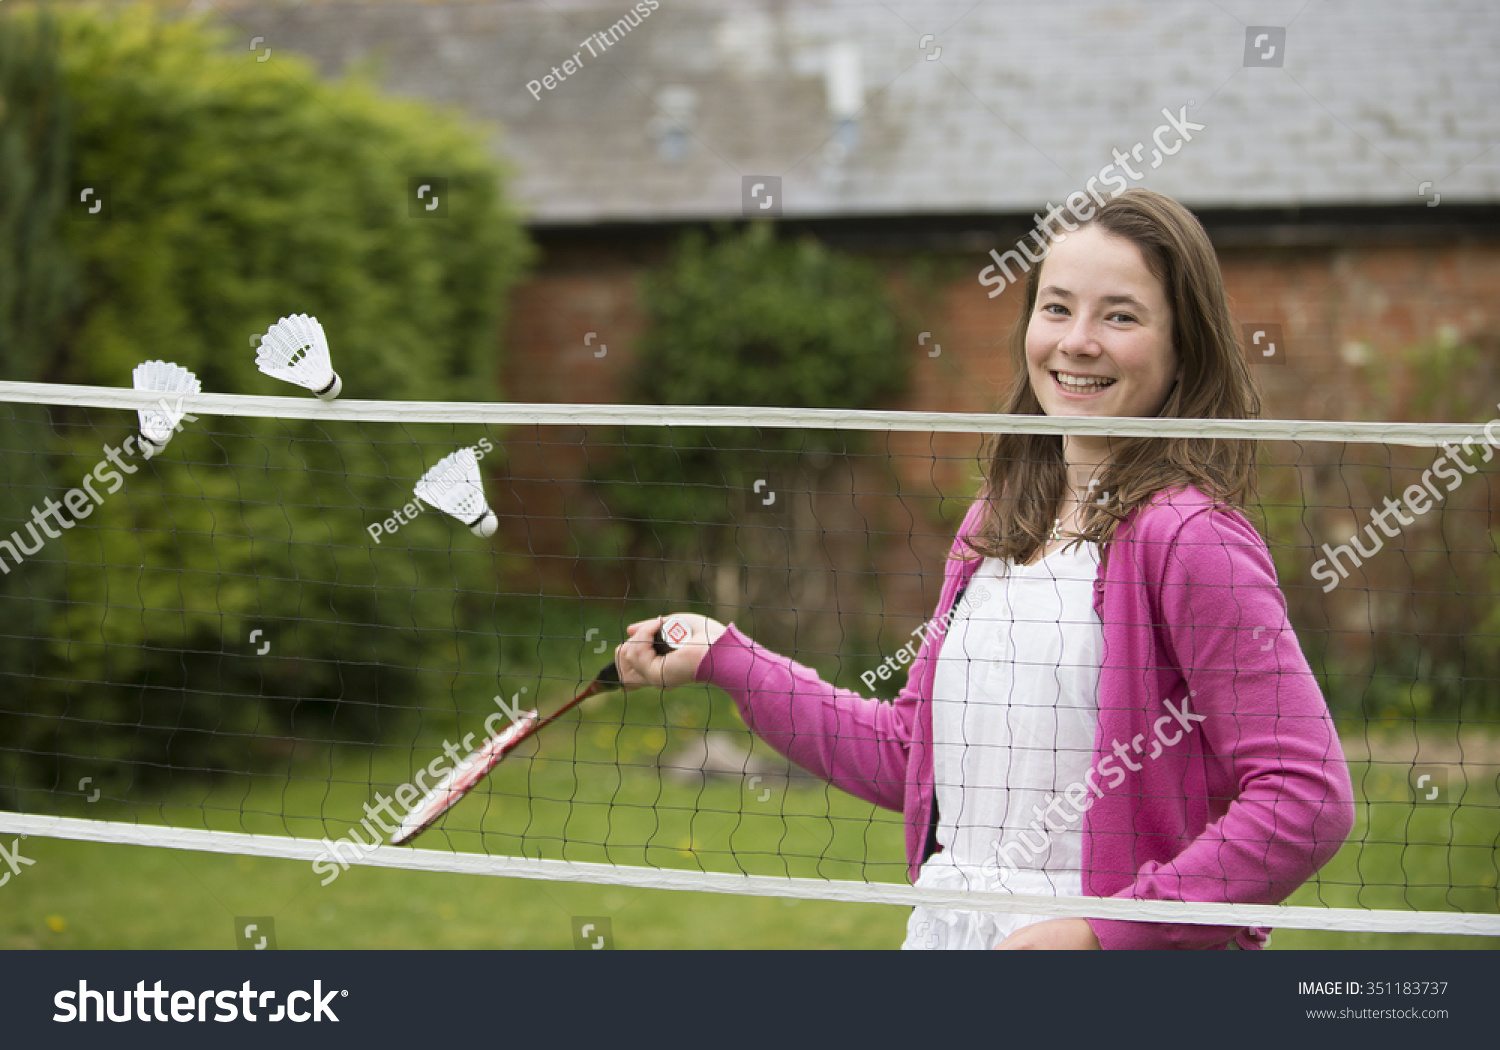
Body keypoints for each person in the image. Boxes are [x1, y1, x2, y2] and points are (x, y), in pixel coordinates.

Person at [614, 189, 1356, 950]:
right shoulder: (994, 525)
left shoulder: (1191, 536)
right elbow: (918, 755)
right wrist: (730, 661)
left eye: (1121, 315)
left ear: (1183, 350)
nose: (1078, 342)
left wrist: (1104, 932)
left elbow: (1306, 797)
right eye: (1057, 308)